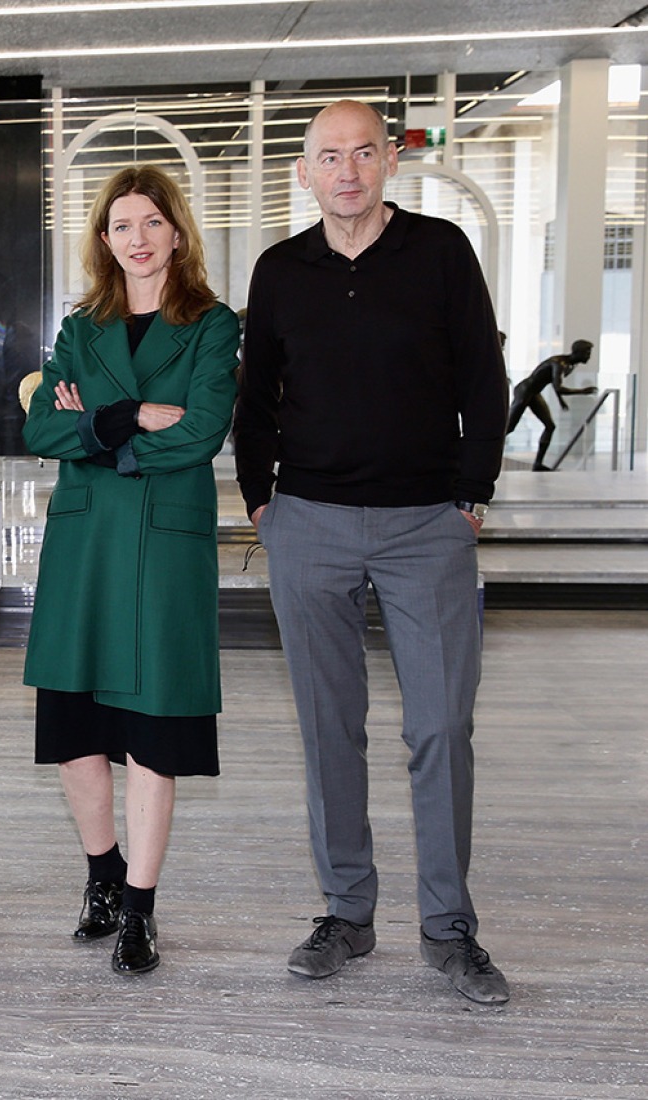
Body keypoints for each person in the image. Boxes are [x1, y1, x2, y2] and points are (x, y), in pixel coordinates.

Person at [233, 100, 511, 1005]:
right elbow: (254, 397)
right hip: (307, 520)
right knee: (326, 728)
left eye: (362, 153)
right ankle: (347, 913)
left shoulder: (438, 254)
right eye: (327, 156)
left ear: (389, 161)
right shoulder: (280, 269)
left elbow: (482, 375)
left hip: (424, 524)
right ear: (305, 173)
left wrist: (470, 492)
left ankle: (448, 929)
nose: (345, 170)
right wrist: (261, 498)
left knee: (439, 727)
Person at [21, 167, 239, 974]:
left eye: (150, 222)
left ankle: (140, 909)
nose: (137, 238)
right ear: (104, 240)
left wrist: (97, 431)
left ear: (175, 233)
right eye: (121, 225)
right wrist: (133, 417)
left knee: (153, 732)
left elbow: (203, 432)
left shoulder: (213, 326)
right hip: (84, 548)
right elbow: (42, 428)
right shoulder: (82, 327)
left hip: (163, 548)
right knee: (76, 731)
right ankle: (101, 877)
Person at [507, 338, 596, 470]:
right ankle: (485, 453)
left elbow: (555, 385)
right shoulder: (559, 363)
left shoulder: (570, 365)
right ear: (578, 352)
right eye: (587, 352)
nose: (589, 356)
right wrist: (583, 391)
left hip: (535, 393)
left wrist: (561, 401)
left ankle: (538, 464)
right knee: (508, 427)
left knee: (550, 426)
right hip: (525, 390)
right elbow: (559, 387)